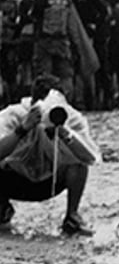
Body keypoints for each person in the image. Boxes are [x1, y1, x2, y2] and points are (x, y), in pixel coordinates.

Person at [0, 77, 101, 235]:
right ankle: (2, 208)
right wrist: (22, 129)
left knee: (78, 162)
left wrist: (65, 133)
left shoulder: (71, 117)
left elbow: (90, 158)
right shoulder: (14, 114)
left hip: (50, 182)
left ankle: (72, 216)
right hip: (14, 179)